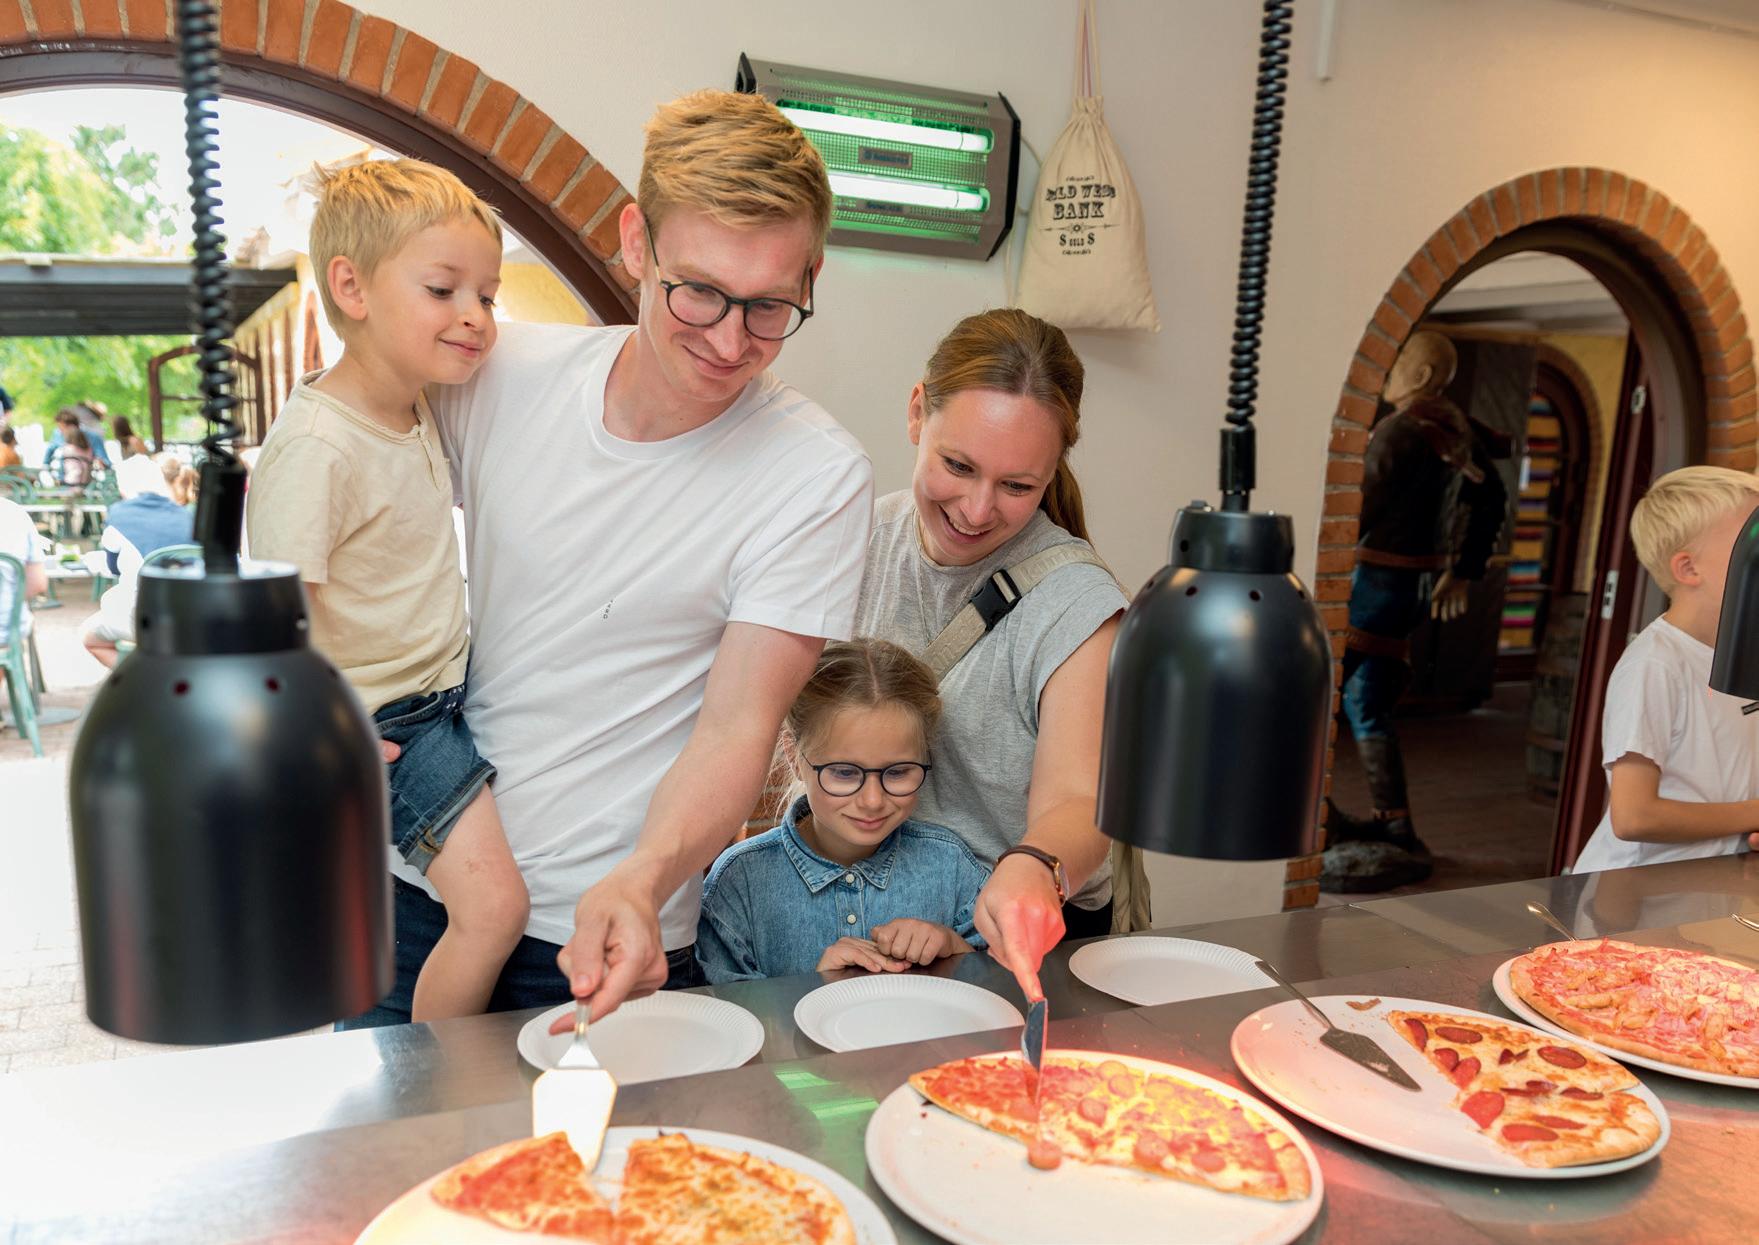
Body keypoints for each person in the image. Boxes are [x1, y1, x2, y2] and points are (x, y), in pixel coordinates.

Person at [353, 88, 872, 1031]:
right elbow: (342, 508)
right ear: (636, 242)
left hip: (606, 927)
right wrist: (308, 692)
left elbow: (736, 730)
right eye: (698, 291)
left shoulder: (815, 473)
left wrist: (643, 877)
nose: (729, 340)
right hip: (412, 885)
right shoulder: (500, 375)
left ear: (811, 274)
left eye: (768, 306)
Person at [246, 158, 529, 1022]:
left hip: (441, 695)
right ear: (351, 287)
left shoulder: (413, 406)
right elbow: (270, 621)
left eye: (487, 295)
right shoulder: (319, 447)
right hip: (393, 720)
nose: (475, 316)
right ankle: (433, 1080)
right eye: (443, 290)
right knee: (494, 910)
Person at [854, 308, 1131, 1001]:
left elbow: (1078, 799)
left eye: (1016, 486)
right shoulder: (857, 538)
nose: (977, 511)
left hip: (1010, 933)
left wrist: (1033, 866)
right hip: (869, 912)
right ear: (917, 412)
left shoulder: (1077, 602)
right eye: (958, 466)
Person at [1321, 329, 1508, 893]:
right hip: (1413, 587)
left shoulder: (1401, 430)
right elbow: (1493, 498)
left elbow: (1356, 509)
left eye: (1400, 361)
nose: (1390, 371)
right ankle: (1394, 822)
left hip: (1373, 584)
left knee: (1319, 695)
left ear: (1421, 375)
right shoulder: (1457, 428)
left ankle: (1308, 812)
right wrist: (1463, 569)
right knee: (1366, 703)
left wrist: (1319, 558)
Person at [696, 639, 988, 982]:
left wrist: (954, 948)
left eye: (897, 772)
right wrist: (816, 989)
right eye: (845, 773)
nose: (873, 801)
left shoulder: (951, 864)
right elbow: (726, 1010)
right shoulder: (739, 882)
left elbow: (1005, 988)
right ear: (794, 756)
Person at [1573, 467, 1759, 872]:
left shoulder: (1746, 653)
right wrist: (1752, 813)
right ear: (1688, 569)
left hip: (1713, 881)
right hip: (1637, 889)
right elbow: (1634, 817)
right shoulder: (1655, 664)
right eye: (1751, 544)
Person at [80, 454, 194, 668]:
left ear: (123, 487)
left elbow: (113, 567)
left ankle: (147, 679)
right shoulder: (187, 515)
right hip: (191, 615)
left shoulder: (119, 514)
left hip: (143, 615)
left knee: (90, 638)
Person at [45, 409, 93, 487]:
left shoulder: (67, 448)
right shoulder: (88, 449)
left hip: (69, 480)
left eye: (61, 427)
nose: (61, 431)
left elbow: (49, 453)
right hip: (84, 481)